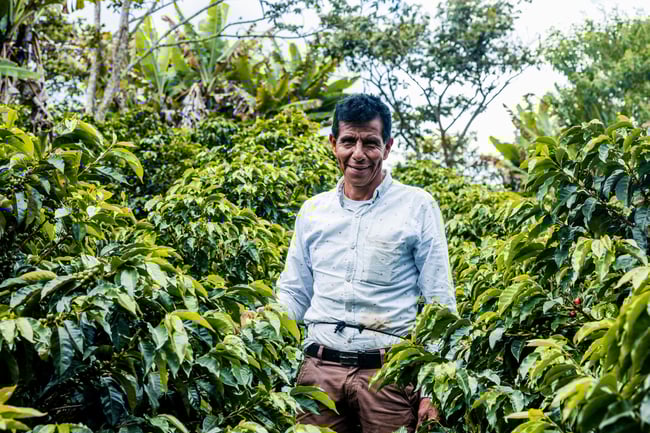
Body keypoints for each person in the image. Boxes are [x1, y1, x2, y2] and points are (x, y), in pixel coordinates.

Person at [276, 94, 456, 432]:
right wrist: (263, 322)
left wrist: (432, 389)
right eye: (349, 141)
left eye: (370, 143)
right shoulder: (313, 211)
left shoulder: (417, 206)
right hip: (319, 372)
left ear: (387, 147)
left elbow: (440, 302)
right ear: (333, 144)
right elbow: (295, 292)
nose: (358, 154)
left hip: (388, 375)